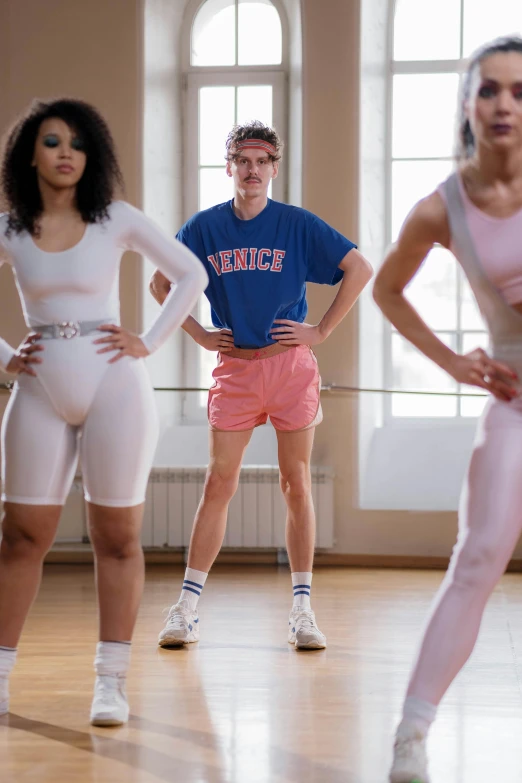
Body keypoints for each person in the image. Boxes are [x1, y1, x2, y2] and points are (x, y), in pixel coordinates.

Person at [0, 98, 207, 726]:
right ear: (29, 155)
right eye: (52, 141)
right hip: (38, 388)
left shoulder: (115, 218)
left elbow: (191, 275)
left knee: (116, 538)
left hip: (116, 386)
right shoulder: (11, 229)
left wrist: (148, 339)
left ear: (92, 156)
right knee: (19, 538)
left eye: (78, 143)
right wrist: (7, 357)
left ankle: (111, 682)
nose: (66, 153)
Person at [151, 121, 373, 651]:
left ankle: (302, 610)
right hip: (237, 369)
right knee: (218, 484)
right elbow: (161, 282)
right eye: (242, 161)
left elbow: (359, 267)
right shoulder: (204, 229)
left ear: (274, 168)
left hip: (290, 367)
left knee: (295, 482)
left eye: (262, 161)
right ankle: (185, 608)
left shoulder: (295, 224)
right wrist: (201, 334)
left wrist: (320, 329)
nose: (252, 170)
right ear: (229, 167)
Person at [373, 36, 522, 783]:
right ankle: (412, 733)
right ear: (468, 104)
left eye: (521, 92)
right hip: (514, 402)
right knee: (478, 556)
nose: (505, 104)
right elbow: (386, 291)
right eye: (490, 89)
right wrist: (454, 361)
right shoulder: (443, 207)